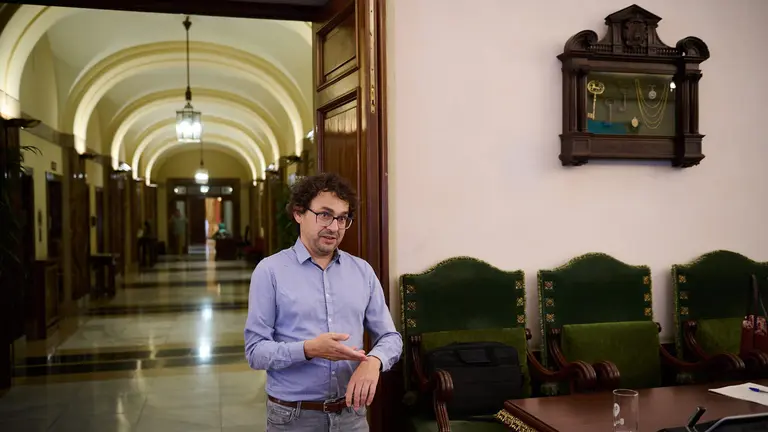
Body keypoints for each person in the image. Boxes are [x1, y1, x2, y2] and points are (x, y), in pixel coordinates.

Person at [244, 172, 402, 432]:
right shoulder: (270, 271)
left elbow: (390, 337)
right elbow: (255, 352)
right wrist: (308, 349)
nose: (335, 227)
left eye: (342, 218)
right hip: (293, 417)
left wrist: (374, 361)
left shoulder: (362, 271)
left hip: (352, 416)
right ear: (298, 213)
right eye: (325, 215)